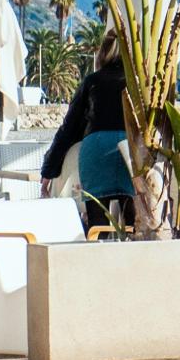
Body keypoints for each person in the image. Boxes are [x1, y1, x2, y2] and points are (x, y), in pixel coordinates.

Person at [42, 31, 133, 231]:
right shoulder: (138, 84)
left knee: (97, 226)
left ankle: (97, 257)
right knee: (134, 225)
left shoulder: (92, 81)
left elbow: (69, 129)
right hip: (131, 149)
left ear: (103, 52)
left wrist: (49, 170)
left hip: (97, 150)